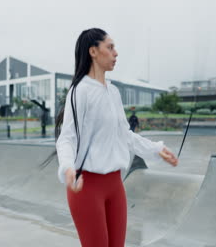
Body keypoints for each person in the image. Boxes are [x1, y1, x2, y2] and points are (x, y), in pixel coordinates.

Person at [55, 28, 178, 247]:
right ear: (94, 51)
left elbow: (125, 136)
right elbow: (67, 138)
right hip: (87, 187)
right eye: (110, 47)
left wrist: (156, 149)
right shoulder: (79, 91)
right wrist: (67, 168)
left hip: (115, 186)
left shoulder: (113, 92)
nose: (116, 53)